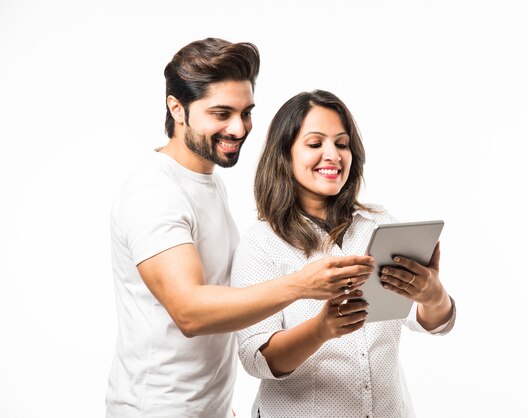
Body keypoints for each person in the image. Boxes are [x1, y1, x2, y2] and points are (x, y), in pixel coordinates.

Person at [106, 39, 374, 418]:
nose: (239, 128)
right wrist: (302, 284)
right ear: (176, 108)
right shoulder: (154, 194)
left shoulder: (205, 181)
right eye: (221, 113)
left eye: (245, 112)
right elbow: (190, 312)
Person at [232, 90, 456, 418]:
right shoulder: (261, 244)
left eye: (341, 143)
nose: (333, 155)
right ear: (285, 154)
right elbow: (256, 358)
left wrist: (433, 296)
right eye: (314, 143)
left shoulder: (378, 224)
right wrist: (320, 329)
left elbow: (427, 321)